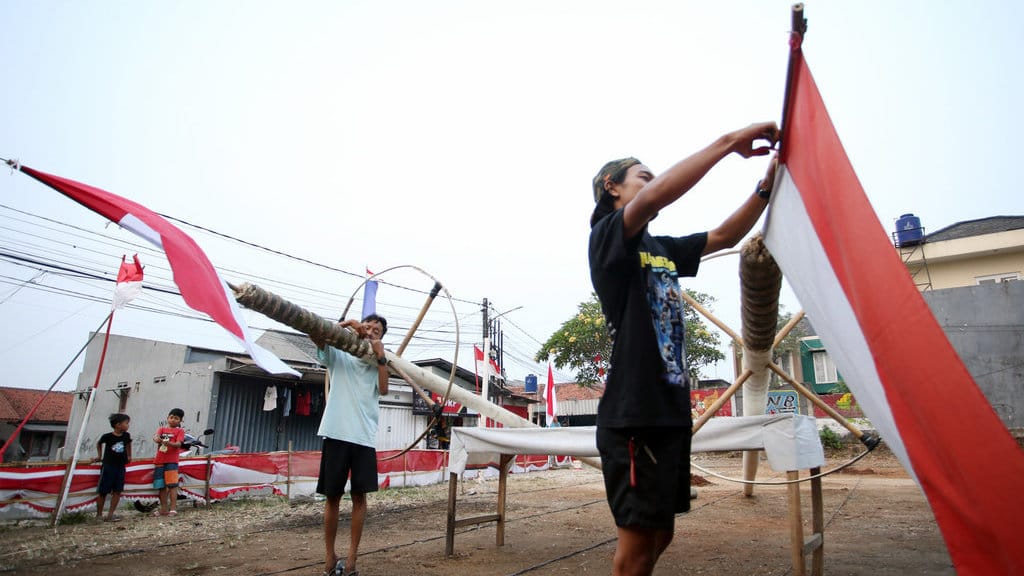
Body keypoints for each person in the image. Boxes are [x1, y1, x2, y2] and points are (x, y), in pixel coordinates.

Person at [588, 122, 779, 576]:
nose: (651, 184)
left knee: (662, 533)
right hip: (634, 417)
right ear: (611, 188)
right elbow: (654, 200)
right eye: (643, 176)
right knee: (636, 545)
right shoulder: (608, 236)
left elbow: (723, 237)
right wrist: (729, 143)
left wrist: (764, 190)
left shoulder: (661, 248)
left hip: (669, 413)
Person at [310, 314, 390, 576]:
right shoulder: (340, 354)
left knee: (359, 497)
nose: (370, 331)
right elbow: (316, 336)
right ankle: (329, 556)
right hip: (336, 432)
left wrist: (380, 356)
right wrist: (340, 327)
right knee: (332, 496)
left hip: (363, 436)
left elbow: (385, 388)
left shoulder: (378, 359)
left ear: (381, 337)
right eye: (367, 326)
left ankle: (353, 558)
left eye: (376, 330)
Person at [94, 413, 132, 522]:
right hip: (108, 466)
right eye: (126, 423)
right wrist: (99, 456)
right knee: (103, 491)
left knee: (117, 491)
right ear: (118, 425)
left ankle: (111, 514)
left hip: (120, 466)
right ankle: (99, 515)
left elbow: (129, 444)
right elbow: (99, 443)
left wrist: (129, 455)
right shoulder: (107, 437)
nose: (128, 425)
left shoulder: (126, 436)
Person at [151, 407, 186, 517]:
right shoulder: (161, 429)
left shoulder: (180, 431)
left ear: (180, 421)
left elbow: (179, 444)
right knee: (161, 485)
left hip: (172, 461)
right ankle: (164, 508)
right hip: (160, 460)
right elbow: (155, 437)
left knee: (172, 485)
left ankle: (173, 508)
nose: (173, 420)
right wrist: (157, 439)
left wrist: (167, 443)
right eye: (171, 417)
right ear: (167, 418)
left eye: (176, 418)